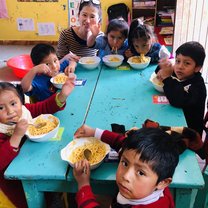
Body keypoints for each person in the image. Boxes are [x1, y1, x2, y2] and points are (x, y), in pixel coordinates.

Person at [0, 78, 75, 208]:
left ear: (20, 101)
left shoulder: (25, 112)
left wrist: (62, 96)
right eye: (0, 107)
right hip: (18, 183)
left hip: (38, 162)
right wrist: (16, 136)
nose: (10, 111)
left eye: (13, 104)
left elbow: (44, 107)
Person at [73, 125, 179, 208]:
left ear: (163, 182)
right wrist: (94, 132)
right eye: (125, 163)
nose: (126, 176)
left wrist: (83, 184)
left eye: (141, 173)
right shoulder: (154, 183)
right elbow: (123, 144)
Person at [157, 41, 206, 136]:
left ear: (197, 68)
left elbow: (178, 100)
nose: (180, 66)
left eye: (187, 63)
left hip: (190, 131)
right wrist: (163, 67)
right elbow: (166, 71)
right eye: (178, 61)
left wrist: (167, 78)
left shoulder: (198, 86)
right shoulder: (185, 73)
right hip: (175, 118)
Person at [56, 0, 103, 71]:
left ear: (98, 20)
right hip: (71, 72)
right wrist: (65, 58)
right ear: (78, 15)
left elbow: (101, 61)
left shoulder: (100, 36)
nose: (87, 21)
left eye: (92, 16)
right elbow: (57, 63)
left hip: (92, 73)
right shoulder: (66, 34)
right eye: (84, 15)